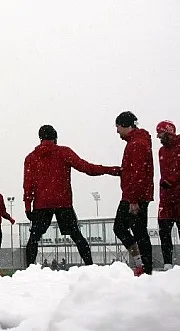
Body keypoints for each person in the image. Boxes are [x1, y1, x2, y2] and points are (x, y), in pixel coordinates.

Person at [23, 125, 120, 268]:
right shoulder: (63, 152)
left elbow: (28, 185)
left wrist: (27, 207)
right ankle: (90, 266)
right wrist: (112, 170)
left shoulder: (31, 158)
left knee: (34, 238)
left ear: (40, 138)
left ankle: (29, 269)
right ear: (55, 138)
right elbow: (86, 167)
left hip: (41, 204)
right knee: (76, 235)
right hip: (63, 202)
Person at [113, 112, 154, 275]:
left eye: (117, 127)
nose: (116, 131)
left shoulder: (136, 144)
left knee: (122, 228)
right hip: (138, 194)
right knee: (139, 231)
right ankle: (144, 265)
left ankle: (143, 265)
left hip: (134, 196)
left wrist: (133, 200)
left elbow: (137, 173)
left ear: (125, 125)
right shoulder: (139, 141)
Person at [157, 120, 180, 270]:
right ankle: (167, 263)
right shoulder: (162, 151)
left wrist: (171, 181)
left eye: (160, 133)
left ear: (169, 133)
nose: (158, 136)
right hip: (166, 197)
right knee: (164, 230)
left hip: (178, 196)